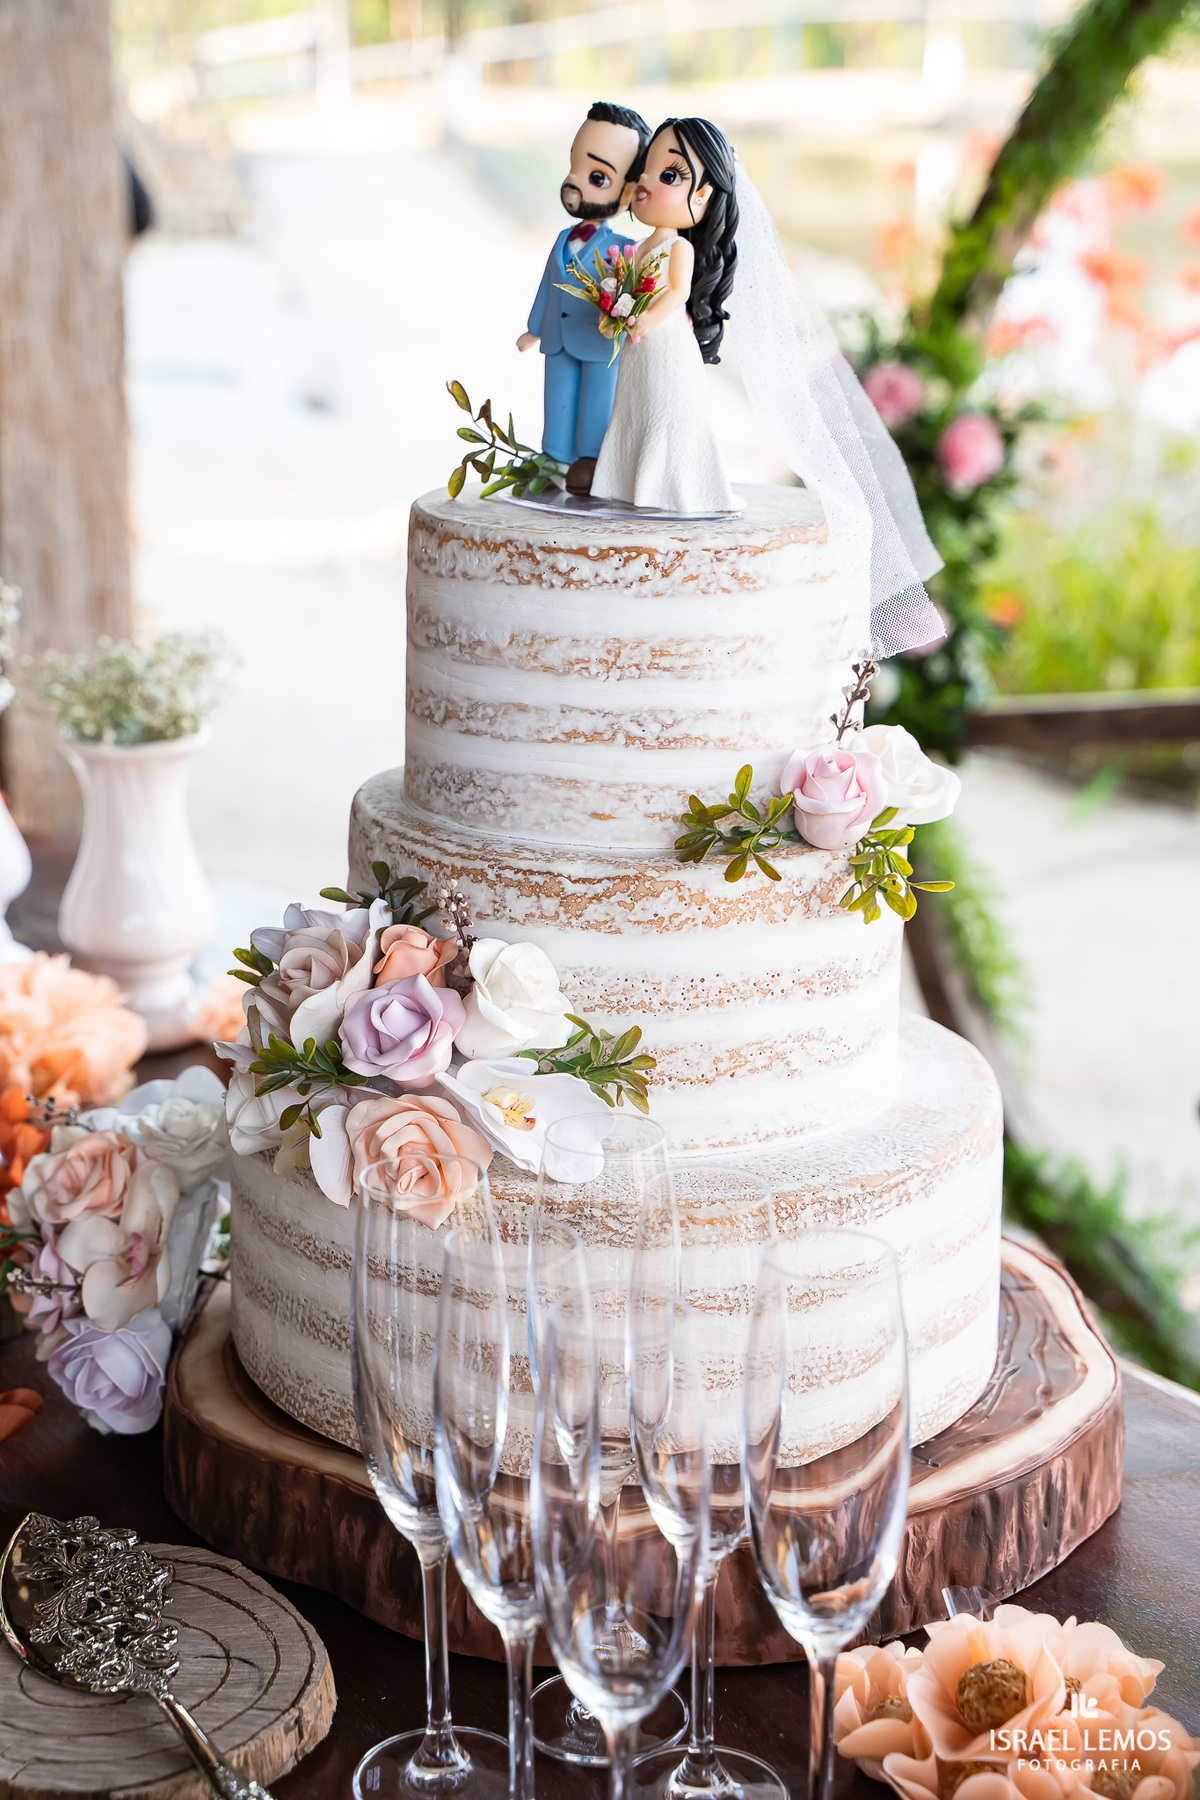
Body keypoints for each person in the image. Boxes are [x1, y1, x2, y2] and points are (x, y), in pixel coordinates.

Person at [591, 117, 740, 515]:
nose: (647, 181)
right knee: (635, 406)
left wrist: (648, 319)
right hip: (639, 350)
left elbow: (678, 291)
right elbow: (626, 285)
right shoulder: (637, 246)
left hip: (666, 346)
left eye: (670, 175)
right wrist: (616, 308)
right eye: (646, 170)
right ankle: (628, 480)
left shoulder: (679, 249)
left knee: (665, 411)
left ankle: (671, 485)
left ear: (703, 195)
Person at [519, 101, 650, 495]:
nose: (575, 181)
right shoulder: (563, 239)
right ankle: (554, 455)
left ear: (628, 192)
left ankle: (591, 459)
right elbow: (549, 285)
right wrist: (533, 329)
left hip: (601, 341)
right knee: (557, 397)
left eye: (596, 176)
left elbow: (635, 293)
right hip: (558, 339)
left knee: (597, 401)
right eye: (574, 167)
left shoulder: (625, 248)